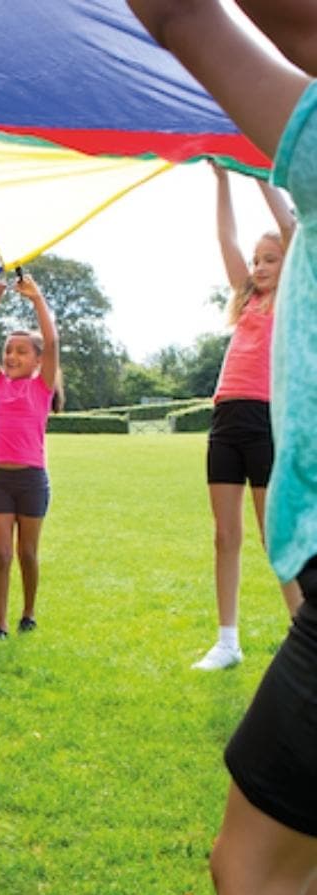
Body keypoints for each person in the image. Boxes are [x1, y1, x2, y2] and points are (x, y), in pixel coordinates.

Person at [126, 2, 316, 895]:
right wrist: (221, 190)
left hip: (296, 483)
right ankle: (236, 629)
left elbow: (179, 13)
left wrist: (259, 184)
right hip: (245, 438)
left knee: (251, 877)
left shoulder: (307, 196)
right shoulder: (249, 296)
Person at [191, 163, 302, 670]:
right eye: (256, 261)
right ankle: (227, 641)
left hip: (264, 420)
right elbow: (224, 236)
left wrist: (261, 174)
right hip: (226, 421)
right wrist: (221, 181)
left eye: (269, 259)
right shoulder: (245, 301)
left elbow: (292, 230)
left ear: (289, 263)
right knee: (224, 534)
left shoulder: (296, 300)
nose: (258, 266)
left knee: (272, 534)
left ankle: (304, 633)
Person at [0, 273, 61, 640]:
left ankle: (28, 613)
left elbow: (53, 340)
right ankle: (0, 623)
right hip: (0, 481)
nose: (11, 356)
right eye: (9, 350)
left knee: (27, 553)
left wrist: (36, 298)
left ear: (38, 360)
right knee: (0, 555)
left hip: (31, 481)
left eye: (21, 351)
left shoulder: (41, 388)